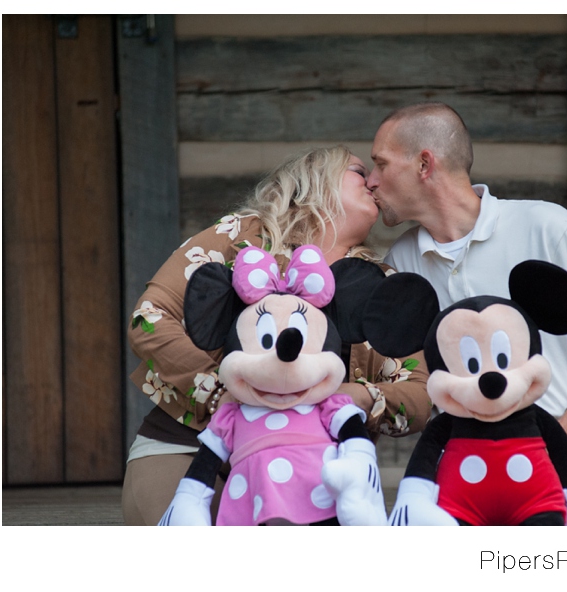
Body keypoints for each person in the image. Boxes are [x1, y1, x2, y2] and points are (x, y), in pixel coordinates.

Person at [122, 145, 431, 525]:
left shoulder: (379, 284)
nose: (371, 181)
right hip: (191, 447)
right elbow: (149, 319)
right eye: (357, 170)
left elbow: (418, 389)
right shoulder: (242, 235)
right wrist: (225, 392)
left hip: (309, 471)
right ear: (311, 179)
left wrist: (356, 397)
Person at [367, 102, 567, 525]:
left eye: (380, 164)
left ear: (424, 164)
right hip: (471, 468)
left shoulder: (547, 227)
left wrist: (561, 435)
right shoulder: (402, 262)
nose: (371, 181)